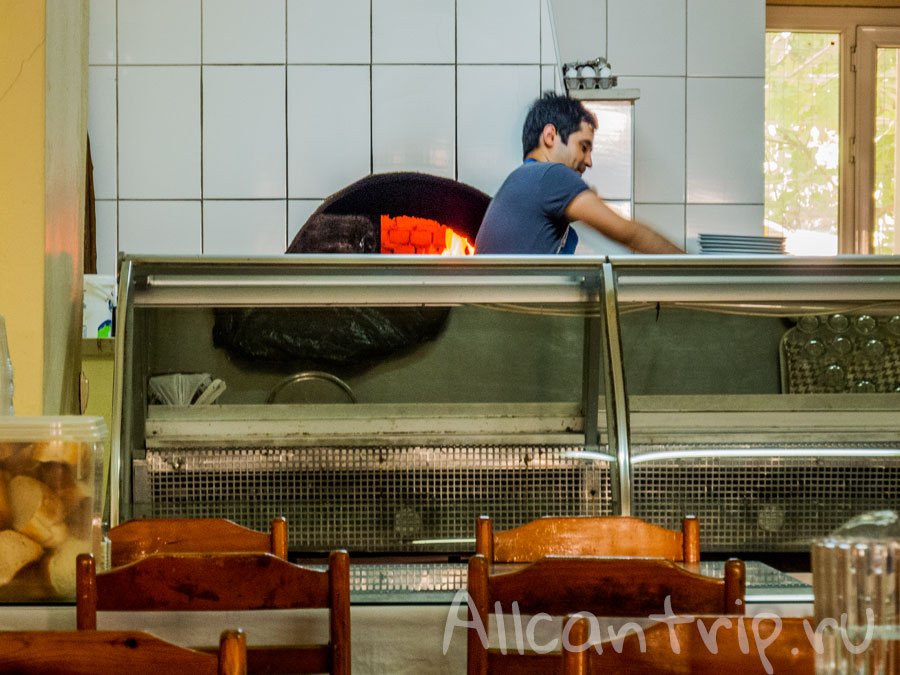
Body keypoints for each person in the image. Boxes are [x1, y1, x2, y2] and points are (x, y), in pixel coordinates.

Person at [474, 92, 683, 255]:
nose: (589, 162)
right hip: (508, 309)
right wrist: (698, 269)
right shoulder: (552, 175)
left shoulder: (521, 179)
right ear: (550, 136)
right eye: (583, 147)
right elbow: (628, 234)